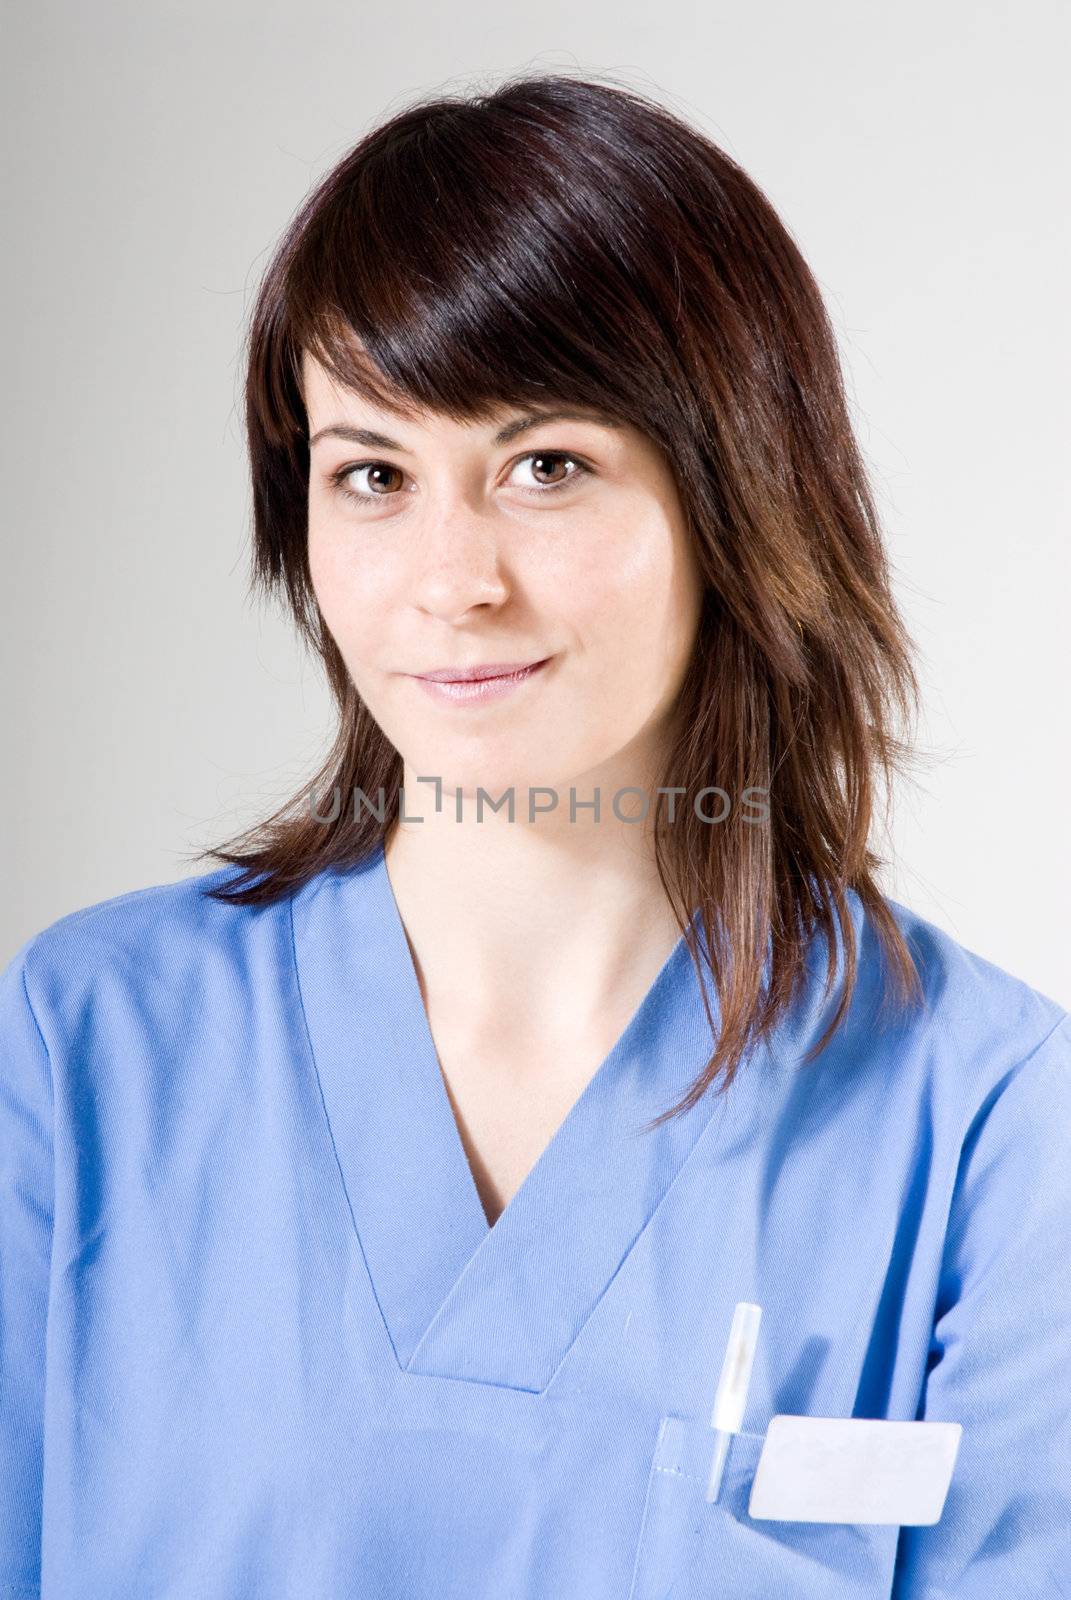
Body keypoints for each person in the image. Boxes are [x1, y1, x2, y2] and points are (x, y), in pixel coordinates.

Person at [2, 72, 1068, 1600]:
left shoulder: (986, 1128)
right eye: (371, 474)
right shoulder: (85, 1046)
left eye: (547, 467)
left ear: (740, 496)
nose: (453, 579)